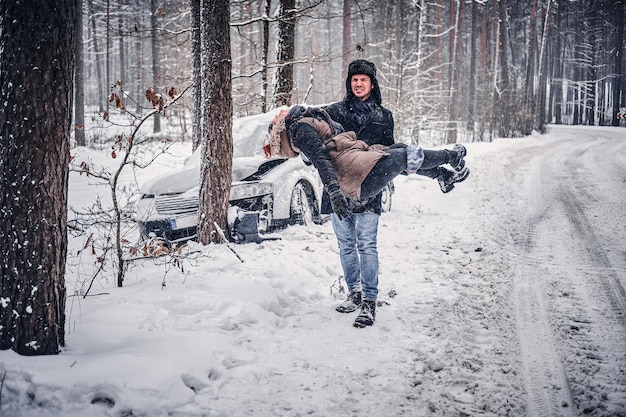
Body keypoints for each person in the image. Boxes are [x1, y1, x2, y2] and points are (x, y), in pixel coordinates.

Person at [265, 103, 469, 328]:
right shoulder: (307, 126)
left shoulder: (301, 129)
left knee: (398, 154)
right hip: (351, 179)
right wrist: (333, 190)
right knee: (399, 158)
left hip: (353, 177)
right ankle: (356, 293)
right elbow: (322, 156)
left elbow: (323, 155)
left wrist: (334, 189)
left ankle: (368, 299)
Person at [323, 59, 467, 328]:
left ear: (372, 83)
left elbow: (393, 159)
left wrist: (392, 178)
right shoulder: (334, 112)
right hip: (339, 189)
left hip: (369, 188)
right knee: (345, 245)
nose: (358, 83)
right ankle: (353, 294)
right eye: (354, 79)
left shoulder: (383, 116)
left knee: (366, 244)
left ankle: (369, 301)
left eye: (363, 79)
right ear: (349, 83)